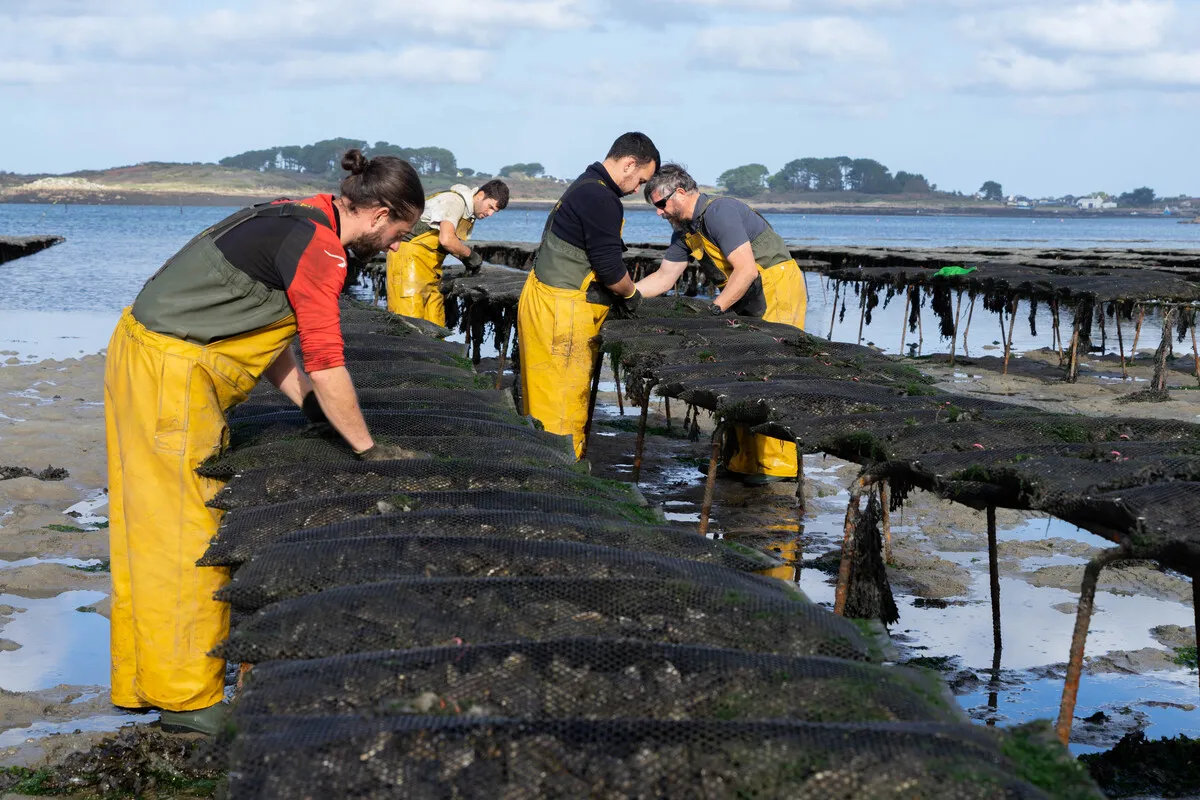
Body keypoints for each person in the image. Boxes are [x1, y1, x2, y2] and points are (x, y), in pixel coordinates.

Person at [103, 149, 424, 734]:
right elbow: (327, 361)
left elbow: (258, 326)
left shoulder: (299, 213)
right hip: (171, 375)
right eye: (401, 231)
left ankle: (144, 679)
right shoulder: (322, 249)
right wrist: (366, 448)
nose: (400, 245)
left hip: (147, 355)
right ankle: (187, 702)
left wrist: (304, 404)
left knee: (145, 523)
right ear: (379, 214)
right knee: (188, 533)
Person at [635, 163, 808, 486]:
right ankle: (742, 460)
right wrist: (627, 295)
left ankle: (776, 465)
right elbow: (664, 277)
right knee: (738, 375)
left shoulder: (720, 212)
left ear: (682, 192)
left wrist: (714, 310)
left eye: (661, 204)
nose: (659, 213)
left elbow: (746, 271)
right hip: (742, 292)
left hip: (775, 286)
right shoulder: (685, 230)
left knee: (769, 375)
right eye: (655, 207)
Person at [517, 132, 659, 458]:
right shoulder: (601, 199)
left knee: (540, 396)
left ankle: (541, 464)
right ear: (628, 164)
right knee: (564, 402)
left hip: (543, 300)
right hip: (562, 312)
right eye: (641, 180)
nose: (639, 190)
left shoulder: (584, 185)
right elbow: (610, 269)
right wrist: (631, 296)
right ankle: (562, 476)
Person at [386, 179, 510, 324]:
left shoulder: (468, 213)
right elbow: (447, 240)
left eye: (494, 211)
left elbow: (448, 244)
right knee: (409, 322)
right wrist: (470, 256)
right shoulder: (454, 202)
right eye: (490, 207)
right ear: (480, 195)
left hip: (430, 269)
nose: (490, 214)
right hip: (407, 263)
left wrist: (467, 260)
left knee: (435, 323)